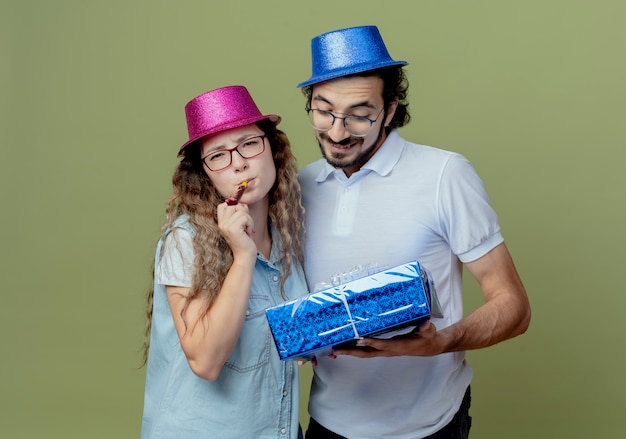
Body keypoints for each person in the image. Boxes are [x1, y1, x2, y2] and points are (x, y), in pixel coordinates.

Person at [296, 26, 531, 439]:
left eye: (360, 113)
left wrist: (441, 341)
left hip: (429, 426)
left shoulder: (444, 174)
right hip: (326, 423)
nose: (337, 131)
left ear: (390, 108)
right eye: (323, 110)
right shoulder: (299, 188)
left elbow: (514, 306)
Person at [140, 85, 308, 438]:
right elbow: (205, 360)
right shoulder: (186, 239)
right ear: (205, 175)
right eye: (218, 155)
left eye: (249, 143)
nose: (239, 163)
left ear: (272, 149)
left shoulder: (287, 234)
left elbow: (289, 337)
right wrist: (243, 255)